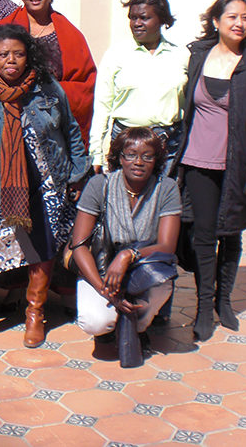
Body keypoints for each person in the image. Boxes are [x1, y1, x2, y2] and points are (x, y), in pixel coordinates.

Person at [0, 24, 89, 350]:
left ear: (29, 56)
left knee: (41, 249)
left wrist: (78, 175)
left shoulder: (48, 88)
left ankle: (35, 315)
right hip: (3, 188)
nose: (12, 60)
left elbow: (70, 131)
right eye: (3, 54)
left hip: (49, 182)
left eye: (19, 53)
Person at [174, 0, 246, 341]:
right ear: (216, 21)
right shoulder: (198, 56)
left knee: (231, 232)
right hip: (197, 161)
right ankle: (204, 307)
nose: (239, 23)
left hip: (239, 163)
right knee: (203, 236)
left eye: (245, 17)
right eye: (232, 16)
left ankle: (225, 302)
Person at [71, 127, 180, 364]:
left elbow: (167, 245)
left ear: (157, 160)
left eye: (147, 156)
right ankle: (107, 331)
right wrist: (104, 289)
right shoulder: (100, 185)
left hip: (144, 269)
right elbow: (79, 245)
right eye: (131, 154)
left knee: (154, 294)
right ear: (120, 157)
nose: (138, 162)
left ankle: (139, 327)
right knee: (95, 321)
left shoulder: (167, 187)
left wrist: (128, 255)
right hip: (102, 268)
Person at [0, 0, 96, 148]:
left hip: (55, 128)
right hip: (9, 122)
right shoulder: (2, 28)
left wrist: (49, 92)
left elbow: (85, 84)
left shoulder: (71, 35)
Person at [90, 0, 187, 175]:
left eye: (144, 18)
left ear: (161, 20)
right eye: (133, 18)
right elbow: (102, 107)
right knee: (124, 200)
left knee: (162, 199)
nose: (137, 23)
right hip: (126, 144)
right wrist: (96, 152)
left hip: (168, 146)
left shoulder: (181, 56)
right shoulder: (116, 55)